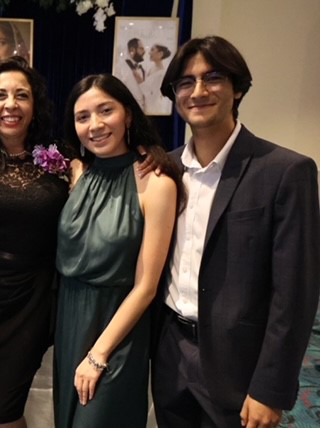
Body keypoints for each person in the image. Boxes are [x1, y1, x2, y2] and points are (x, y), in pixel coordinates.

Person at [151, 35, 320, 428]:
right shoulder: (166, 170)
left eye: (212, 77)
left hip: (239, 367)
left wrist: (270, 387)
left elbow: (295, 293)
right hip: (171, 352)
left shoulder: (285, 171)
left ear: (238, 87)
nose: (198, 91)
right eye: (185, 82)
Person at [54, 73, 182, 427]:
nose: (94, 125)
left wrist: (99, 354)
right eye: (83, 117)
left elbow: (146, 287)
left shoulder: (156, 182)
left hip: (117, 330)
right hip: (70, 322)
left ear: (128, 114)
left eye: (105, 111)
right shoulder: (80, 175)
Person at [0, 56, 69, 428]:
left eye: (21, 95)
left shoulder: (63, 159)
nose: (10, 104)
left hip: (34, 298)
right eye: (0, 95)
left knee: (6, 403)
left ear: (34, 105)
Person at [114, 38, 146, 109]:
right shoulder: (121, 67)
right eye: (141, 48)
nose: (144, 51)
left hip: (141, 110)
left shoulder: (143, 69)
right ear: (132, 50)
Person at [140, 44, 172, 114]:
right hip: (146, 106)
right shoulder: (151, 68)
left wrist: (140, 82)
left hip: (154, 108)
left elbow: (154, 95)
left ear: (160, 54)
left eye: (152, 50)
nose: (149, 53)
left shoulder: (161, 74)